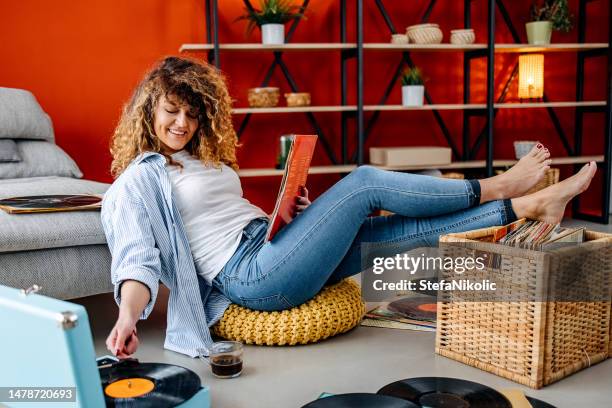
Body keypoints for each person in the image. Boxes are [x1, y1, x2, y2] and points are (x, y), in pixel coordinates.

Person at [102, 56, 597, 358]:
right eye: (171, 112)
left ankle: (528, 206)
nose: (182, 123)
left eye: (192, 113)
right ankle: (497, 186)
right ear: (148, 110)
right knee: (362, 185)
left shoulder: (200, 158)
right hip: (249, 277)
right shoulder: (135, 183)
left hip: (269, 245)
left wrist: (291, 213)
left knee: (402, 230)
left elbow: (226, 217)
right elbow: (136, 259)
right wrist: (127, 318)